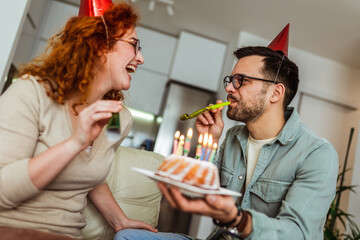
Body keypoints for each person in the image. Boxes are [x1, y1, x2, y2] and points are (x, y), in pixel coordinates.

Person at [115, 25, 339, 240]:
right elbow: (196, 194)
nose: (229, 88)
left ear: (275, 93)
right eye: (231, 80)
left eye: (241, 81)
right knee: (127, 236)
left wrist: (238, 220)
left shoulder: (317, 154)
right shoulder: (233, 138)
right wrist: (209, 142)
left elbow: (297, 234)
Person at [0, 1, 157, 239]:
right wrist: (75, 143)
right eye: (134, 45)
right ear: (99, 44)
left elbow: (90, 172)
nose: (141, 58)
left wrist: (120, 221)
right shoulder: (30, 94)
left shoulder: (119, 119)